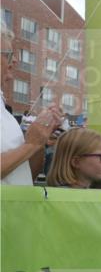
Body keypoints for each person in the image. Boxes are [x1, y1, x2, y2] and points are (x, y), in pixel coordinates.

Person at [0, 44, 65, 185]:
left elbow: (28, 174)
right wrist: (31, 144)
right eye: (9, 54)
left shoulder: (6, 114)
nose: (15, 60)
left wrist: (41, 140)